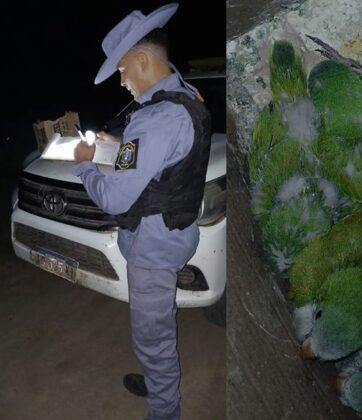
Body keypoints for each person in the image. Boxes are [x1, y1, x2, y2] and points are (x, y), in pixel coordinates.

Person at [72, 3, 211, 419]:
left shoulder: (152, 120)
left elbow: (114, 199)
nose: (122, 81)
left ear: (142, 60)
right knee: (159, 325)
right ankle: (157, 379)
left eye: (122, 70)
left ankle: (164, 408)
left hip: (153, 247)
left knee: (153, 338)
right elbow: (166, 155)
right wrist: (119, 144)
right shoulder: (186, 96)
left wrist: (84, 164)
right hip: (176, 232)